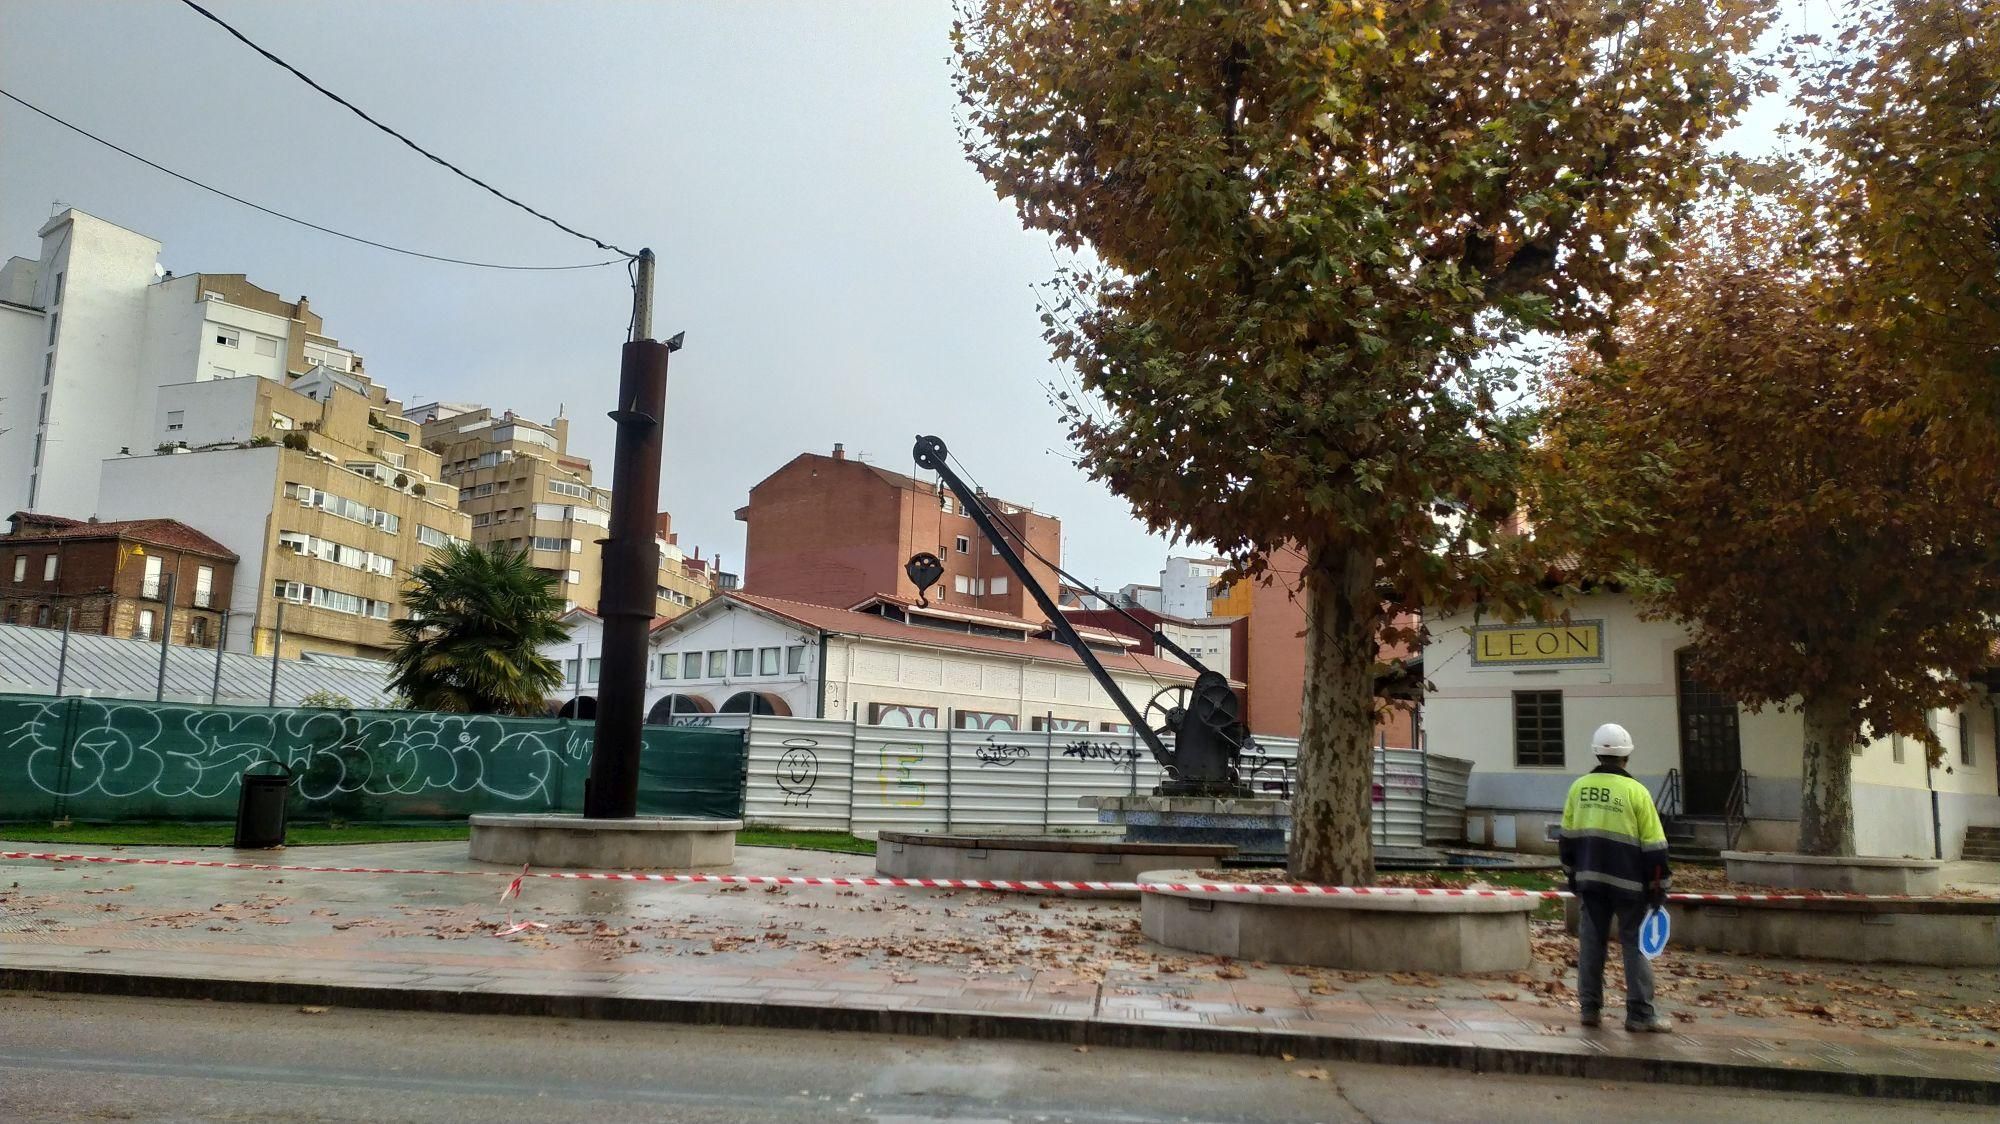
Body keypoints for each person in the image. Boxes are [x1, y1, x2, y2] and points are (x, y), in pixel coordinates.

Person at [1559, 722, 1673, 1032]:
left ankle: (1589, 1009)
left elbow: (1566, 839)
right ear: (1627, 756)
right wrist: (1659, 887)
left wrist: (1573, 877)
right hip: (1630, 885)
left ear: (1596, 752)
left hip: (1590, 882)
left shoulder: (1578, 789)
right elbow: (1655, 847)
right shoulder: (1637, 792)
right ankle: (1639, 1014)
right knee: (1634, 946)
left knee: (1591, 943)